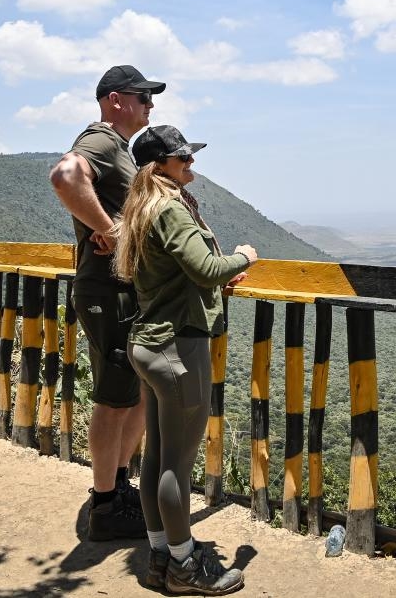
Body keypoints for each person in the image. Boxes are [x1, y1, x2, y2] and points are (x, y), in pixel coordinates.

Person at [113, 124, 257, 595]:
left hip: (148, 343)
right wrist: (242, 257)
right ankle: (185, 565)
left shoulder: (140, 208)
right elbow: (206, 268)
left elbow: (179, 275)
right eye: (184, 159)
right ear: (161, 167)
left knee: (156, 457)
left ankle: (160, 555)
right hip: (179, 349)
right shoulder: (171, 209)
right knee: (177, 462)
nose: (191, 164)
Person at [49, 64, 165, 540]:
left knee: (133, 393)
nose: (150, 106)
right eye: (143, 98)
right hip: (106, 291)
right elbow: (65, 175)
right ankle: (104, 505)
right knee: (114, 400)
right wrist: (108, 229)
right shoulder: (99, 139)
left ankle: (117, 488)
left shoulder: (120, 148)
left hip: (122, 290)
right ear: (115, 99)